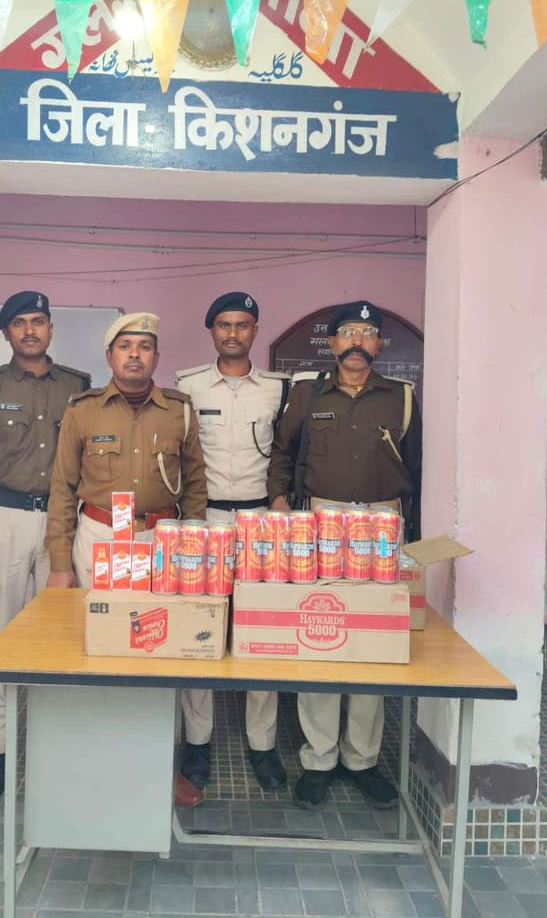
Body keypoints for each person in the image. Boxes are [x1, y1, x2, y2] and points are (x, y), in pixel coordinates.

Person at [267, 300, 422, 810]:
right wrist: (279, 503)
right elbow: (282, 452)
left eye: (367, 333)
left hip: (382, 526)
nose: (357, 341)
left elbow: (418, 468)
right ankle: (319, 758)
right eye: (348, 332)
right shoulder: (307, 393)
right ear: (332, 343)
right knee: (321, 633)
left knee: (372, 641)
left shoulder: (401, 397)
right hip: (322, 523)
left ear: (379, 344)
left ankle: (362, 758)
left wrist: (414, 540)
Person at [0, 291, 90, 799]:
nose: (29, 330)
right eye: (19, 323)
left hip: (63, 522)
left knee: (61, 635)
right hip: (5, 519)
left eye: (38, 321)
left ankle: (51, 745)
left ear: (50, 328)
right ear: (6, 333)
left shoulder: (78, 388)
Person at [176, 292, 290, 798]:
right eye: (224, 324)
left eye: (242, 325)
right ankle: (197, 741)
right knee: (200, 628)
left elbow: (285, 453)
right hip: (204, 519)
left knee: (261, 630)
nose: (233, 333)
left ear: (255, 331)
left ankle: (262, 743)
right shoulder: (188, 386)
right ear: (212, 331)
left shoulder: (278, 390)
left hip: (261, 519)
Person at [44, 311, 207, 589]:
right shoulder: (82, 410)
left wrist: (192, 546)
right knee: (98, 616)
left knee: (156, 616)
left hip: (161, 539)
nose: (134, 354)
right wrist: (60, 564)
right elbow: (63, 488)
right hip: (99, 537)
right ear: (109, 356)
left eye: (144, 347)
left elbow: (195, 484)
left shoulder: (179, 411)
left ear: (156, 358)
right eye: (124, 346)